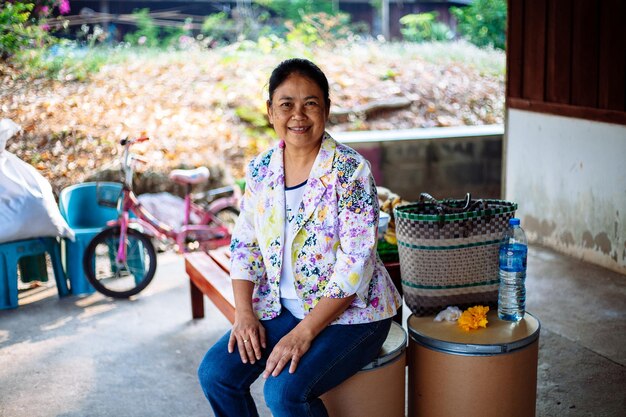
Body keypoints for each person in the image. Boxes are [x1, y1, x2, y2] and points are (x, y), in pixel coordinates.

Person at [197, 58, 402, 417]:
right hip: (282, 306)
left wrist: (304, 332)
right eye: (286, 104)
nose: (298, 115)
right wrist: (243, 314)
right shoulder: (262, 169)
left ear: (326, 109)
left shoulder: (350, 171)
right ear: (270, 111)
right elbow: (245, 244)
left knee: (283, 392)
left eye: (311, 103)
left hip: (354, 316)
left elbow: (355, 264)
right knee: (216, 375)